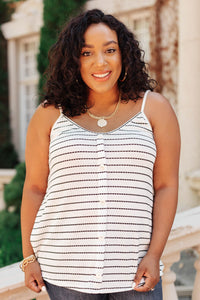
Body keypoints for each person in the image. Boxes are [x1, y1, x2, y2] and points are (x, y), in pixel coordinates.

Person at [20, 8, 180, 300]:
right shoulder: (48, 115)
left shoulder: (155, 109)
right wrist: (29, 257)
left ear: (124, 55)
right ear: (73, 60)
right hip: (64, 271)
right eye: (86, 52)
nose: (100, 62)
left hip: (134, 271)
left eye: (110, 50)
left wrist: (154, 254)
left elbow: (166, 186)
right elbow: (34, 188)